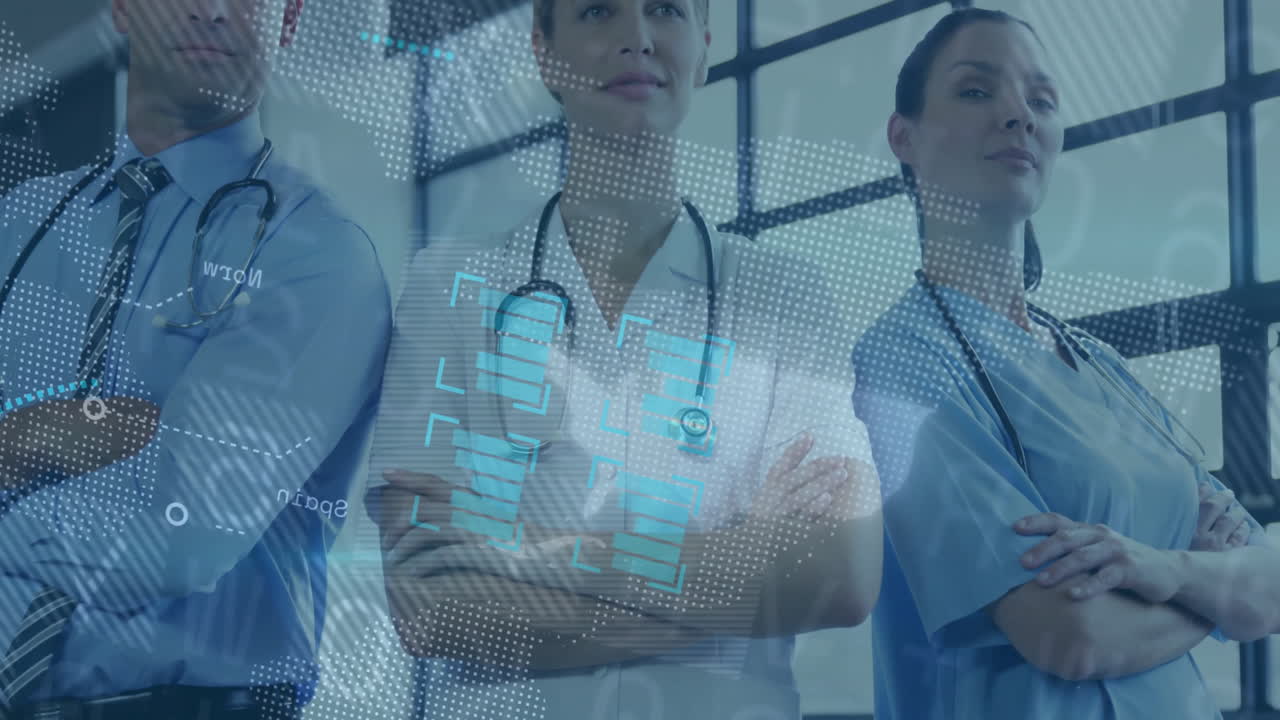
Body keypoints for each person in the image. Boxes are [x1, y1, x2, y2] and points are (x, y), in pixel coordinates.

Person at [366, 0, 882, 717]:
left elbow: (839, 573)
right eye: (598, 11)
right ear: (544, 51)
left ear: (703, 47)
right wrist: (737, 564)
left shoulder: (785, 294)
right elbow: (430, 610)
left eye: (665, 10)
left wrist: (515, 551)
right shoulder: (450, 286)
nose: (637, 37)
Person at [851, 8, 1280, 719]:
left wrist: (1160, 569)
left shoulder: (1100, 364)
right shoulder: (901, 362)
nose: (1018, 115)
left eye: (1041, 100)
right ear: (905, 137)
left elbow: (1272, 582)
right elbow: (1071, 636)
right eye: (976, 90)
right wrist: (1217, 597)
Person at [0, 0, 390, 717]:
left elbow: (179, 536)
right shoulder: (19, 225)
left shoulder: (318, 256)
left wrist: (18, 451)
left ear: (288, 19)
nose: (212, 10)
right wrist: (32, 437)